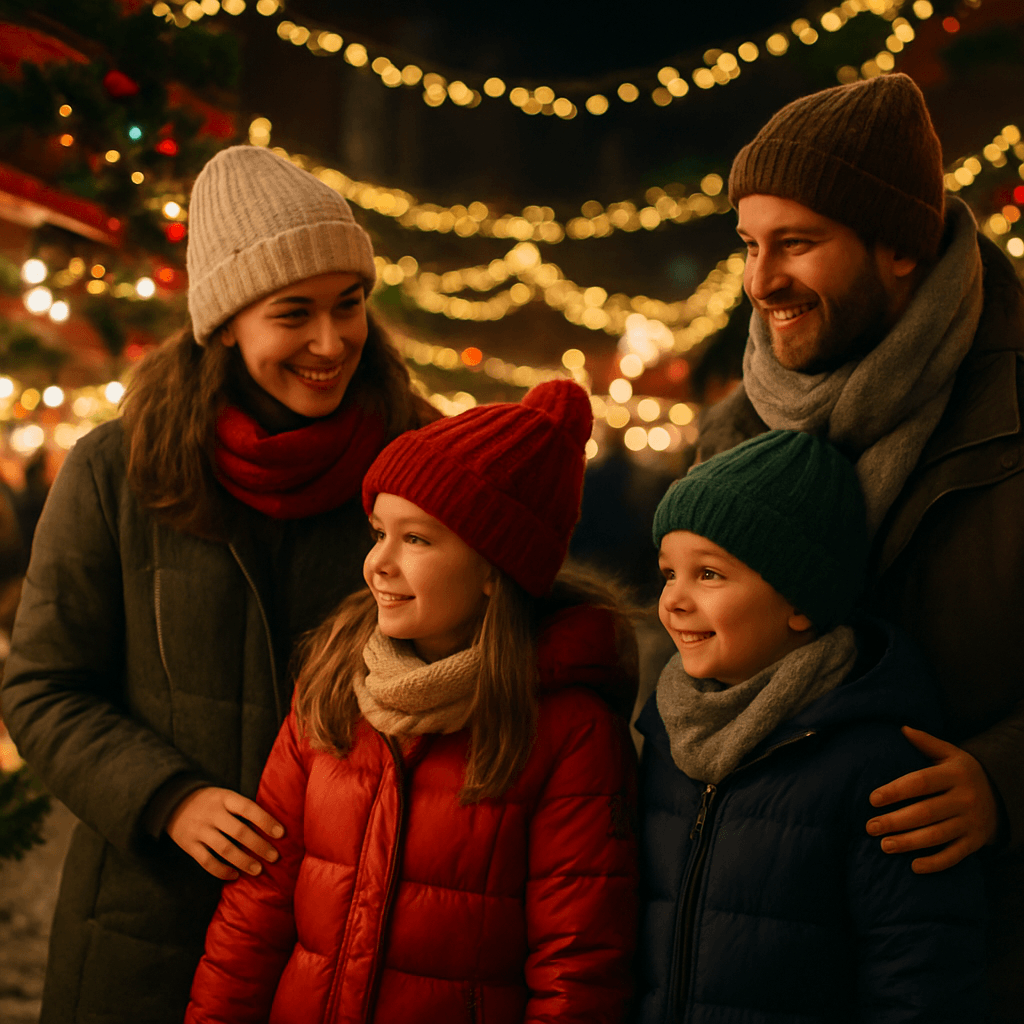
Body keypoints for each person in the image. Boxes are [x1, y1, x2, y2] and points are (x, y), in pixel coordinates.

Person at [0, 145, 435, 1023]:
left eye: (349, 305)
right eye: (294, 313)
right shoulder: (115, 473)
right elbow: (43, 686)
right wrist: (169, 798)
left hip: (359, 932)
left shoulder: (419, 464)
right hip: (152, 932)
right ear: (226, 323)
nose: (330, 342)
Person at [689, 73, 1024, 1019]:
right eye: (751, 245)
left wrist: (1004, 779)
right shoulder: (733, 434)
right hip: (761, 953)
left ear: (900, 245)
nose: (760, 283)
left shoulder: (1011, 408)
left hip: (971, 955)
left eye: (797, 244)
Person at [184, 379, 640, 1024]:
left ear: (494, 566)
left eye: (417, 539)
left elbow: (578, 967)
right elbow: (255, 910)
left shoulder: (568, 731)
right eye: (378, 533)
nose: (378, 564)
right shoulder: (335, 684)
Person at [635, 429, 986, 1023]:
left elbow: (917, 977)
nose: (673, 600)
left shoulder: (878, 762)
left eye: (710, 575)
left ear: (800, 602)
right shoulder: (669, 735)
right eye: (669, 572)